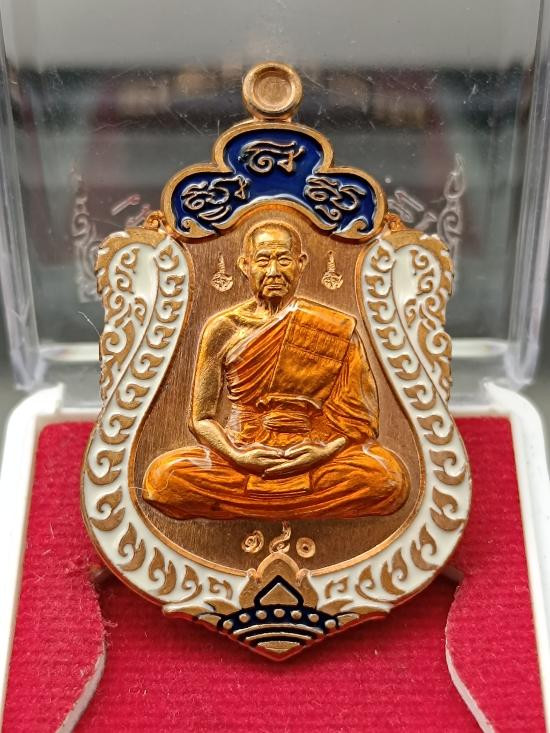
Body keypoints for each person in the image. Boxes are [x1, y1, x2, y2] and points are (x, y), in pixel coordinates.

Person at [142, 219, 409, 520]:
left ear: (300, 263)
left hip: (312, 453)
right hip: (241, 452)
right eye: (262, 260)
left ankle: (259, 505)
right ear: (245, 265)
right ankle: (294, 505)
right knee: (163, 479)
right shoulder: (224, 328)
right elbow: (200, 419)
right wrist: (238, 456)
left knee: (388, 477)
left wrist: (323, 452)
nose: (273, 271)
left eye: (283, 260)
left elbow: (358, 421)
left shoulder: (334, 328)